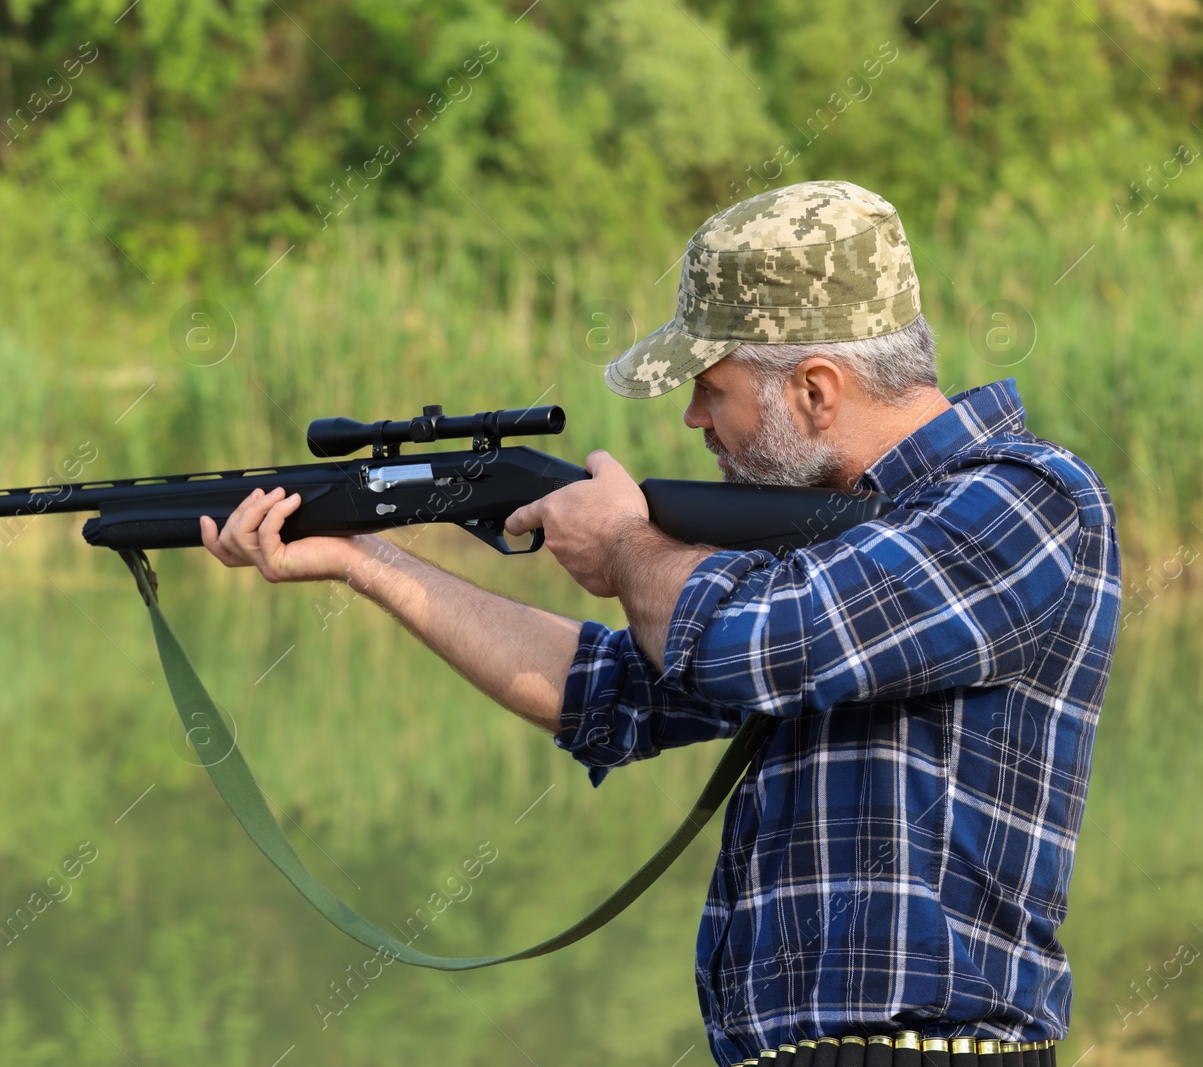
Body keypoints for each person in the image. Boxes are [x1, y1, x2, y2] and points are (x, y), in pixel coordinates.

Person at [199, 180, 1120, 1066]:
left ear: (815, 390)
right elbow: (605, 694)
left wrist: (628, 546)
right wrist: (368, 558)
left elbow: (765, 645)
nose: (691, 418)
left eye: (712, 388)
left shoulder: (1027, 501)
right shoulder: (809, 551)